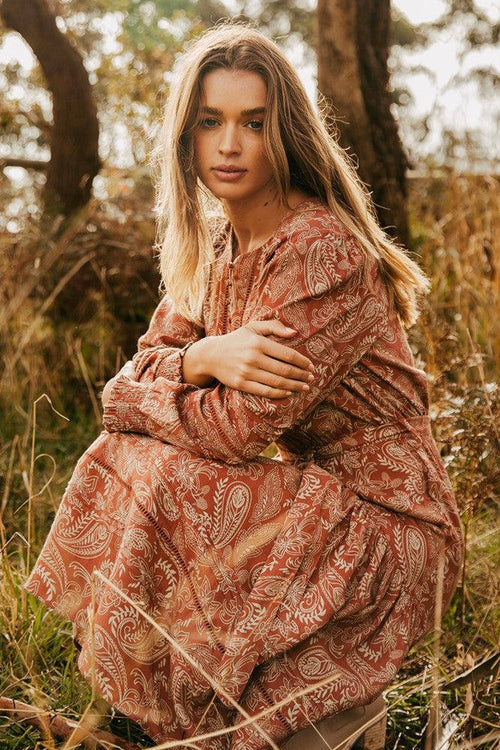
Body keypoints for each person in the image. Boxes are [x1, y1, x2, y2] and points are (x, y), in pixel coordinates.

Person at [25, 22, 464, 750]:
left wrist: (173, 377)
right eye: (211, 122)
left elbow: (236, 432)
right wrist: (204, 359)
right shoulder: (219, 244)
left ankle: (274, 698)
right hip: (311, 499)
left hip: (389, 520)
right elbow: (122, 388)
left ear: (283, 132)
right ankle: (194, 693)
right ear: (187, 138)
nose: (229, 144)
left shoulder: (319, 253)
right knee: (122, 453)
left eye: (252, 123)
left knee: (162, 468)